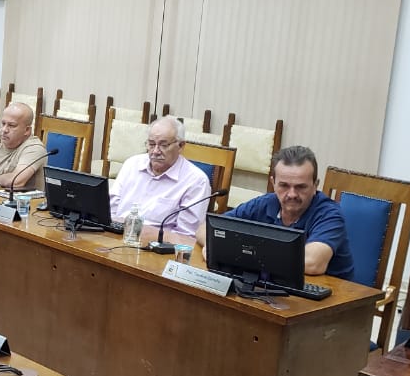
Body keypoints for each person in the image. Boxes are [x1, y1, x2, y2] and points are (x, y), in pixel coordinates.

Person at [197, 145, 354, 279]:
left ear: (315, 185)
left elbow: (313, 263)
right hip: (275, 289)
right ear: (273, 183)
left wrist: (239, 252)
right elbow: (204, 229)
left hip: (331, 299)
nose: (292, 194)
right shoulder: (265, 203)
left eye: (301, 187)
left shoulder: (329, 214)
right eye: (284, 185)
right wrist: (213, 245)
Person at [108, 116, 212, 244]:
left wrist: (151, 234)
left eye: (163, 145)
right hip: (115, 237)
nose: (156, 151)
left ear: (180, 146)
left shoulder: (196, 181)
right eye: (151, 144)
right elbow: (110, 210)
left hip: (158, 247)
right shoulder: (132, 164)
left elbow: (187, 237)